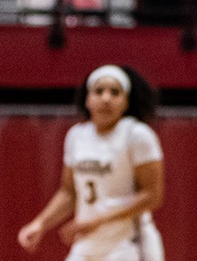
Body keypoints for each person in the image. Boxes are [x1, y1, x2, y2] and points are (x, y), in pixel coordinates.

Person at [20, 65, 164, 261]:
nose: (106, 98)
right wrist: (40, 223)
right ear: (87, 99)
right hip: (87, 243)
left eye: (115, 92)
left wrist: (99, 220)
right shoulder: (77, 135)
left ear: (126, 102)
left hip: (128, 244)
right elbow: (69, 192)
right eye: (99, 91)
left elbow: (152, 195)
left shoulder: (137, 134)